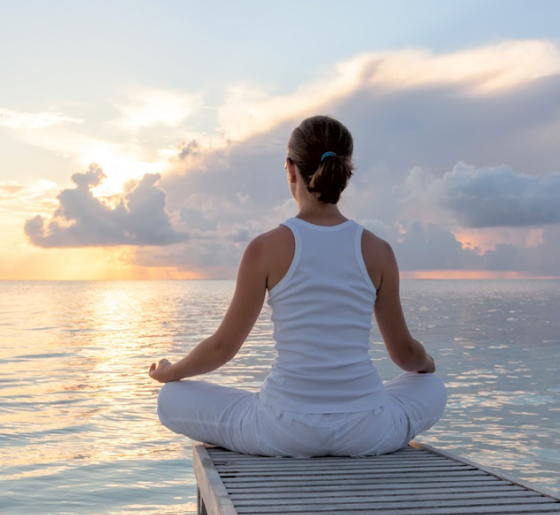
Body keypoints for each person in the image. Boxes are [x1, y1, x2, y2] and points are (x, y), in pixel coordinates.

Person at [148, 115, 447, 458]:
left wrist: (172, 373)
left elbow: (222, 348)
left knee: (171, 398)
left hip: (283, 429)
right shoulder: (378, 251)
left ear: (290, 169)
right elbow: (405, 355)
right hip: (367, 429)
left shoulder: (265, 248)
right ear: (347, 171)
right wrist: (428, 363)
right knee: (432, 386)